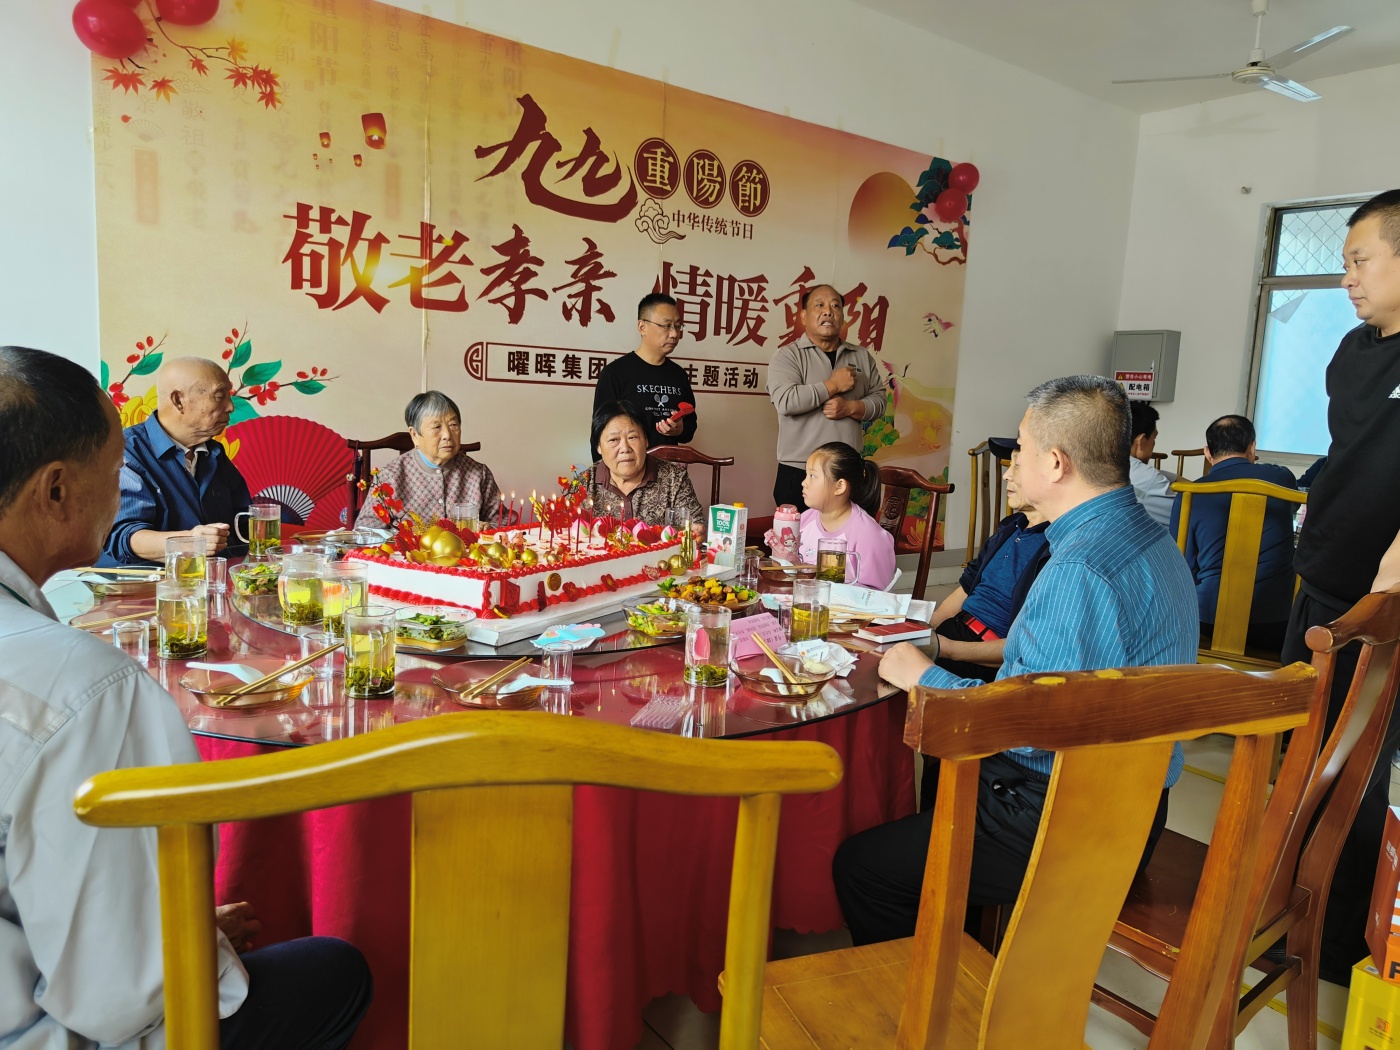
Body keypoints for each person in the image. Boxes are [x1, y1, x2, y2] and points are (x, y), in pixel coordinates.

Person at [0, 345, 372, 1049]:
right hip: (56, 1031)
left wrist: (166, 923)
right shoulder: (89, 686)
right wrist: (186, 940)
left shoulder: (219, 461)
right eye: (112, 471)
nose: (119, 487)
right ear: (55, 491)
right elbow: (125, 997)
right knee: (338, 969)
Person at [831, 375, 1197, 946]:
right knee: (933, 794)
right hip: (1140, 799)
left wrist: (921, 674)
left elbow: (1028, 729)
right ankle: (964, 938)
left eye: (1021, 448)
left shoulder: (1077, 568)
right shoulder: (1153, 540)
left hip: (1061, 816)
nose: (1013, 461)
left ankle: (932, 989)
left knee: (863, 866)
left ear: (1055, 462)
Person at [1280, 189, 1400, 983]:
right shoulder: (1353, 351)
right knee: (1301, 748)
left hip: (1381, 606)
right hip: (1320, 578)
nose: (1347, 277)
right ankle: (1285, 904)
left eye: (1361, 260)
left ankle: (1333, 945)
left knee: (1359, 770)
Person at [100, 356, 251, 565]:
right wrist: (189, 542)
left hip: (212, 578)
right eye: (219, 396)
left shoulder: (214, 452)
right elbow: (126, 536)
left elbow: (244, 520)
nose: (230, 407)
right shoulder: (126, 452)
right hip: (147, 582)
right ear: (178, 401)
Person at [1168, 414, 1298, 655]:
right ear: (1252, 448)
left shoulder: (1189, 493)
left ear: (1208, 453)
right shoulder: (1281, 479)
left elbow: (1183, 566)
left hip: (1207, 621)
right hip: (1275, 622)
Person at [927, 450, 1050, 685]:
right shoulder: (1010, 527)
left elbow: (1025, 648)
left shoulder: (1053, 547)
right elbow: (966, 587)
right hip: (955, 631)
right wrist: (926, 629)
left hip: (982, 656)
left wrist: (947, 648)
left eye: (1017, 467)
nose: (1006, 475)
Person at [767, 284, 889, 510]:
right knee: (798, 533)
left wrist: (851, 407)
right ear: (804, 316)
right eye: (819, 305)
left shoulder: (861, 356)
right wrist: (832, 385)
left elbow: (880, 401)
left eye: (835, 306)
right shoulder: (788, 355)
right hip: (800, 470)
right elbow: (786, 401)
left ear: (842, 316)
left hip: (848, 470)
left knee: (850, 533)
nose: (828, 312)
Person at [354, 389, 500, 529]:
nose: (447, 435)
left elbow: (502, 522)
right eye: (436, 427)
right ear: (414, 435)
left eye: (453, 425)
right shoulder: (391, 476)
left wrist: (489, 528)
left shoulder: (479, 474)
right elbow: (365, 529)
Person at [590, 292, 698, 456]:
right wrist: (605, 472)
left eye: (677, 326)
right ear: (642, 327)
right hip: (628, 468)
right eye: (666, 326)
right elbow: (600, 434)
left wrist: (680, 429)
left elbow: (690, 428)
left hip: (669, 469)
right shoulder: (615, 373)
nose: (674, 334)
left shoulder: (678, 375)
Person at [788, 441, 897, 590]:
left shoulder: (868, 535)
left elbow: (878, 594)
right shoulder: (805, 520)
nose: (804, 483)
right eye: (806, 475)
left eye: (812, 476)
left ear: (839, 486)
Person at [580, 401, 704, 526]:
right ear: (598, 447)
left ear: (646, 440)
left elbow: (695, 527)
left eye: (632, 437)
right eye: (613, 440)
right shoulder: (584, 483)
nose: (625, 448)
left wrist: (697, 530)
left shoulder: (675, 479)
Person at [1126, 400, 1176, 528]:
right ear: (1141, 441)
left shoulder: (1097, 463)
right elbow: (1186, 517)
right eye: (1154, 438)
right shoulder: (1148, 479)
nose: (1154, 444)